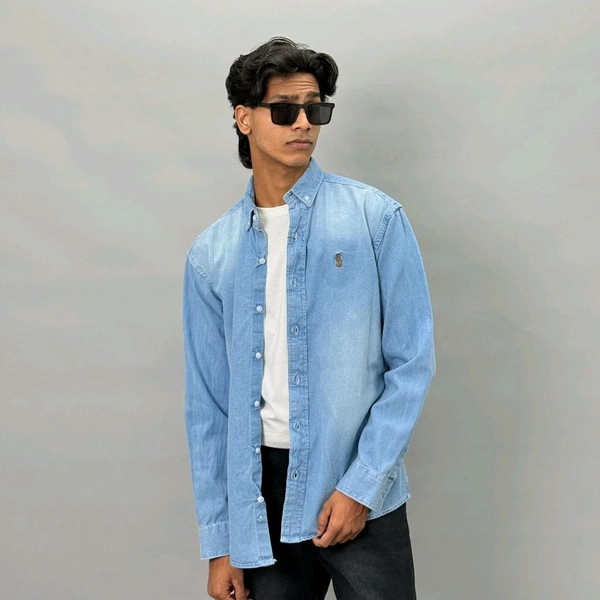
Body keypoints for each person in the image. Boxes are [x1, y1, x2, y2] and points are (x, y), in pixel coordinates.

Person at [183, 37, 435, 600]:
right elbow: (209, 409)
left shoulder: (375, 219)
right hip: (261, 499)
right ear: (244, 118)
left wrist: (363, 486)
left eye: (315, 109)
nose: (303, 123)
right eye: (284, 110)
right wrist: (222, 543)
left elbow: (412, 364)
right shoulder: (211, 255)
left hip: (358, 481)